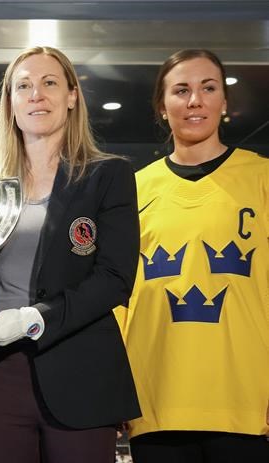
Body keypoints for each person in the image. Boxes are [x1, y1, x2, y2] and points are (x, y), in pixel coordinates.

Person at [0, 46, 141, 463]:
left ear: (71, 96)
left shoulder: (107, 175)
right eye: (24, 86)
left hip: (80, 371)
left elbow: (115, 278)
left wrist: (33, 319)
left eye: (49, 83)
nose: (36, 94)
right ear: (10, 102)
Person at [117, 49, 269, 462]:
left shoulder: (262, 179)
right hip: (155, 403)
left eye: (208, 88)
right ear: (162, 106)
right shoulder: (132, 191)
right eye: (181, 90)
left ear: (224, 102)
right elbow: (117, 300)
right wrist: (115, 389)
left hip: (247, 405)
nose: (195, 101)